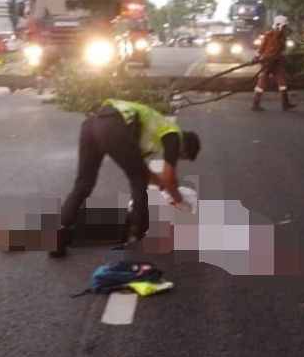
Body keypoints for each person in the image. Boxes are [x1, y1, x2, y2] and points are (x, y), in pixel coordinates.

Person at [51, 99, 201, 258]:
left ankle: (58, 238)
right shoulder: (173, 134)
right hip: (114, 124)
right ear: (185, 147)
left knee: (83, 184)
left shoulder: (150, 135)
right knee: (138, 182)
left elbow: (141, 169)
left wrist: (162, 186)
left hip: (91, 124)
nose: (177, 157)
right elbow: (169, 177)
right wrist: (178, 199)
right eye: (181, 156)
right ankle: (137, 236)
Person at [252, 15, 295, 111]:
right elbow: (261, 48)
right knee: (262, 81)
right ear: (279, 25)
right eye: (284, 26)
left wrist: (284, 57)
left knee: (282, 81)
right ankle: (255, 103)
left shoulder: (283, 36)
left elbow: (282, 49)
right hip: (267, 61)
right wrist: (256, 57)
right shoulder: (269, 35)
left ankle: (285, 103)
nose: (285, 28)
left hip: (277, 62)